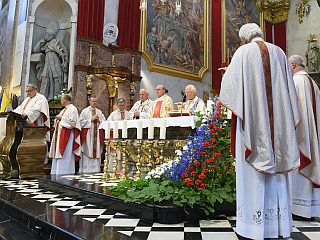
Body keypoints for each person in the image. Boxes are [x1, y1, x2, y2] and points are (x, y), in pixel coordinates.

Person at [219, 23, 300, 239]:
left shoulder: (243, 52)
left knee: (252, 175)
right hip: (279, 129)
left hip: (253, 126)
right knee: (278, 173)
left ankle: (253, 227)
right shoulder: (280, 52)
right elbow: (289, 93)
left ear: (244, 38)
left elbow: (228, 90)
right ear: (260, 34)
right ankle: (279, 226)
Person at [288, 55, 320, 218]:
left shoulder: (295, 82)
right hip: (313, 135)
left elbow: (291, 111)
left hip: (299, 136)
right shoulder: (313, 84)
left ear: (292, 64)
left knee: (298, 170)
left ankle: (299, 209)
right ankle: (311, 210)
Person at [33, 19, 69, 100]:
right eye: (46, 34)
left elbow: (64, 53)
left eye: (48, 34)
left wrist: (64, 62)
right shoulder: (45, 44)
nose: (46, 36)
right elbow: (35, 49)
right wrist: (43, 40)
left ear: (52, 35)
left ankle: (56, 98)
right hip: (47, 64)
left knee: (56, 79)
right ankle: (42, 99)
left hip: (55, 63)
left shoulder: (57, 43)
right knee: (45, 79)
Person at [49, 94, 81, 175]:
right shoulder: (64, 110)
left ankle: (65, 172)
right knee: (58, 153)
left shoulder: (73, 109)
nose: (60, 101)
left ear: (66, 100)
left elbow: (73, 122)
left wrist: (61, 119)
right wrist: (58, 120)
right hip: (59, 135)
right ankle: (56, 171)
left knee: (66, 153)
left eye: (62, 99)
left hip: (67, 136)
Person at [79, 97, 106, 173]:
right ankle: (85, 170)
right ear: (90, 102)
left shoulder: (99, 112)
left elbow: (104, 122)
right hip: (88, 135)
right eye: (93, 101)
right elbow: (80, 122)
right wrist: (90, 120)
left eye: (96, 101)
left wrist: (99, 120)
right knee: (87, 149)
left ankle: (95, 169)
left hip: (96, 136)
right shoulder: (85, 111)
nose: (94, 103)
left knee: (96, 150)